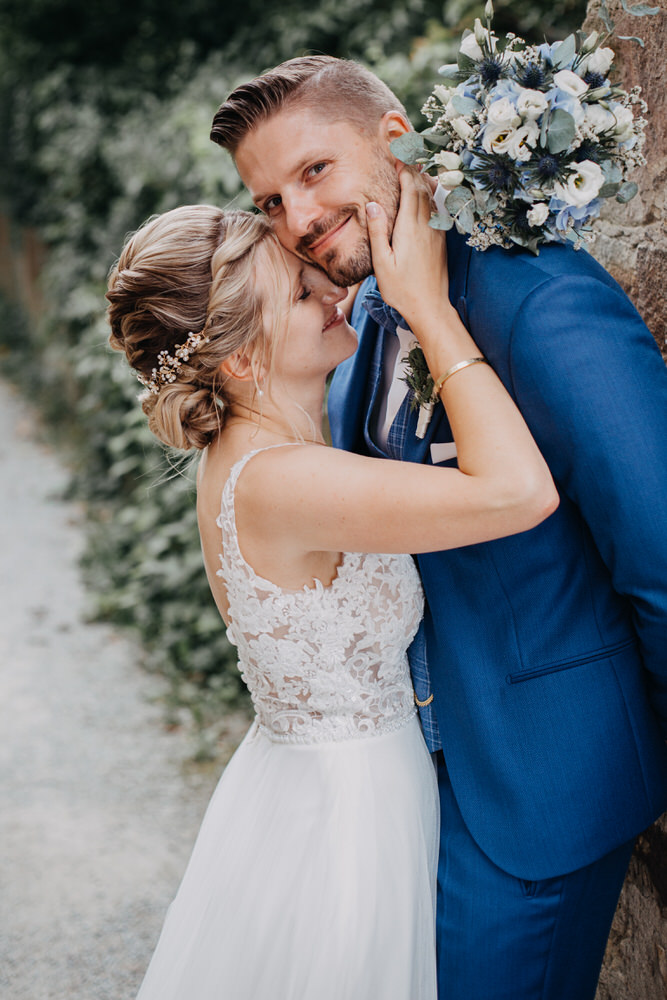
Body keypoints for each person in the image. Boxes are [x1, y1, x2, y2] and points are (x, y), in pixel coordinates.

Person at [210, 54, 667, 1000]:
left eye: (312, 173)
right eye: (267, 202)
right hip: (414, 782)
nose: (295, 220)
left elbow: (659, 551)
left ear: (392, 139)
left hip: (543, 779)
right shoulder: (359, 323)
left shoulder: (537, 301)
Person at [106, 181, 555, 999]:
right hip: (347, 816)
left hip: (304, 786)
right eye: (298, 290)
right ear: (241, 357)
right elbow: (520, 493)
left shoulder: (255, 458)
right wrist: (428, 309)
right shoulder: (285, 481)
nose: (332, 287)